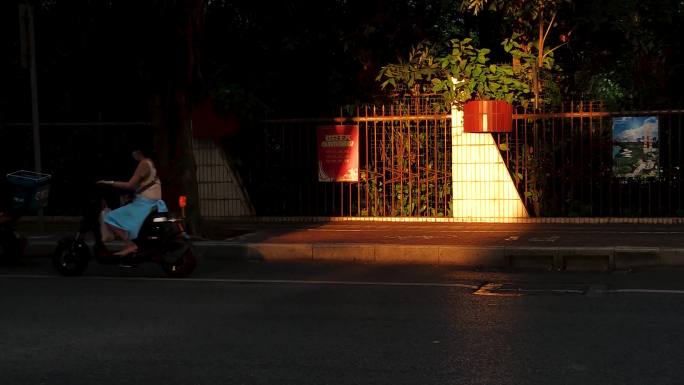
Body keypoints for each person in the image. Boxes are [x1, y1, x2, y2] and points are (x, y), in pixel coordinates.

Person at [97, 149, 167, 256]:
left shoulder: (143, 164)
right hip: (152, 203)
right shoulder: (151, 162)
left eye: (134, 152)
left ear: (139, 152)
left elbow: (129, 185)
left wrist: (109, 183)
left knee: (109, 218)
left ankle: (130, 244)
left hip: (144, 204)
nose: (133, 154)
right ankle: (132, 244)